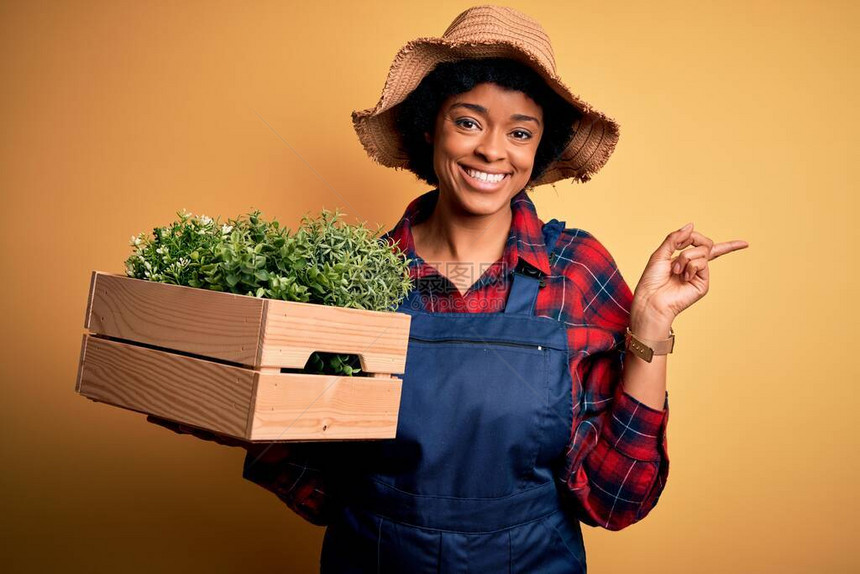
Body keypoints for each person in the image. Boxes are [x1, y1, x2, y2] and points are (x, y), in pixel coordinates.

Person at [150, 5, 749, 572]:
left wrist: (649, 324)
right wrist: (219, 393)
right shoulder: (360, 278)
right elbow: (318, 482)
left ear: (539, 149)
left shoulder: (577, 268)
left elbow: (619, 498)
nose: (492, 150)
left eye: (520, 132)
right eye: (469, 122)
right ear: (429, 126)